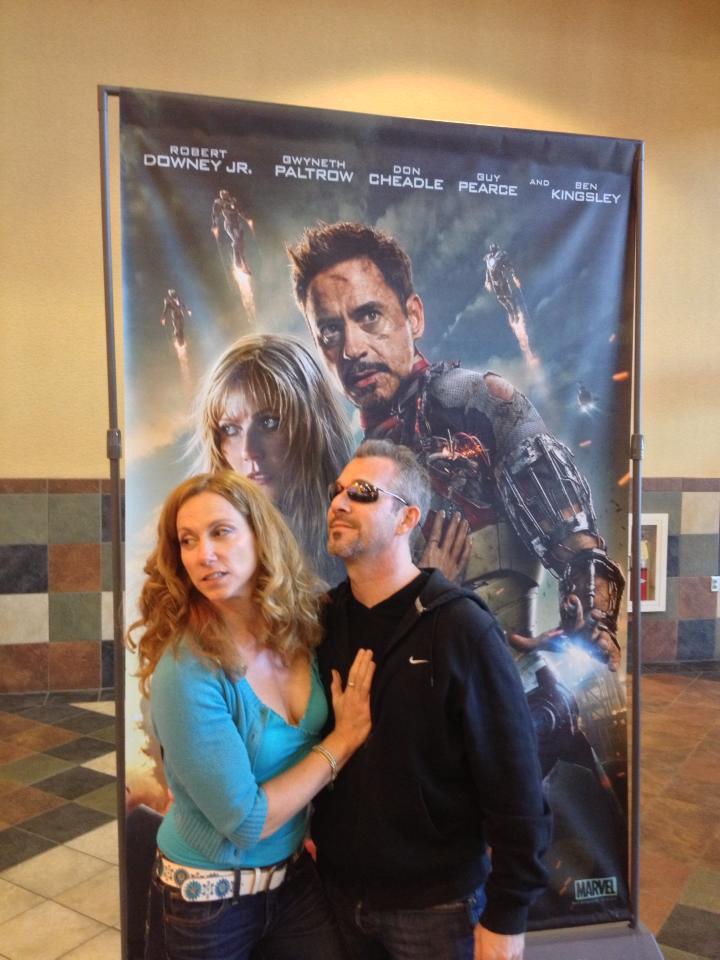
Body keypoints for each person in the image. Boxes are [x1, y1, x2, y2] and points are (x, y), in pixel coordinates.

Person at [288, 221, 625, 777]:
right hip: (402, 717)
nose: (351, 348)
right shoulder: (346, 465)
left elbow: (578, 544)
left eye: (369, 316)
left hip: (516, 703)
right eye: (329, 331)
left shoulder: (474, 402)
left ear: (412, 316)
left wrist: (593, 620)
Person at [313, 440, 551, 960]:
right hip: (337, 896)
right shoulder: (322, 622)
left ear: (407, 518)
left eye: (363, 492)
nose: (339, 502)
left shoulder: (461, 627)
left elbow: (514, 777)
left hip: (436, 907)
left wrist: (507, 913)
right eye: (337, 491)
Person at [127, 470, 374, 960]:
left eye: (220, 532)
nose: (204, 554)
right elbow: (246, 822)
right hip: (205, 900)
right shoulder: (186, 668)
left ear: (260, 536)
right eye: (187, 541)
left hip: (292, 878)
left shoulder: (302, 627)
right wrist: (342, 741)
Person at [190, 333, 355, 584]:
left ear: (312, 425)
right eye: (230, 430)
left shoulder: (365, 527)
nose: (248, 451)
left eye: (269, 423)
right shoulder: (206, 555)